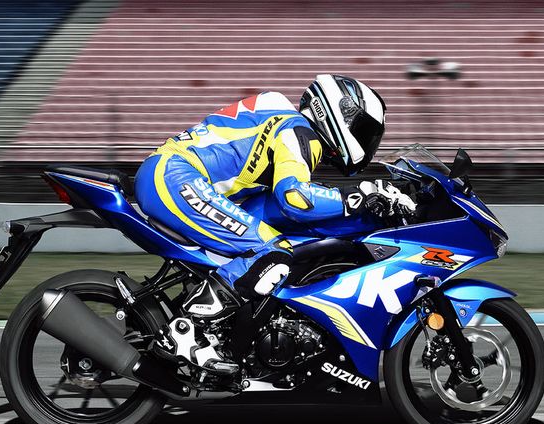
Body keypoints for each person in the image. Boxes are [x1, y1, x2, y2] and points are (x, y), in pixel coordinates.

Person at [135, 74, 416, 371]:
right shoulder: (299, 132)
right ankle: (185, 332)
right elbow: (295, 198)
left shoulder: (287, 123)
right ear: (341, 111)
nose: (366, 141)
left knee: (271, 240)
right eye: (364, 130)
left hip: (172, 175)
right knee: (273, 251)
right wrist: (358, 198)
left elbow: (276, 210)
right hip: (175, 177)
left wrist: (359, 212)